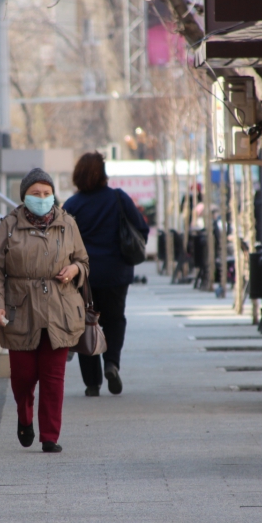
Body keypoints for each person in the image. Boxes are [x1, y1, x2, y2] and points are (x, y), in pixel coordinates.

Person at [0, 169, 90, 453]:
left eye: (46, 193)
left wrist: (75, 270)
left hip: (60, 310)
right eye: (35, 193)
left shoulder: (68, 223)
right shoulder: (9, 225)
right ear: (24, 196)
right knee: (23, 376)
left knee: (54, 377)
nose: (42, 198)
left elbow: (83, 261)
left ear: (53, 195)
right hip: (21, 310)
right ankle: (24, 415)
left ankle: (50, 436)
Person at [62, 151, 150, 396]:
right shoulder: (118, 198)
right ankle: (111, 363)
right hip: (115, 274)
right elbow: (141, 228)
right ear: (103, 174)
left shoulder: (72, 205)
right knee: (115, 319)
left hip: (83, 277)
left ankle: (92, 384)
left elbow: (61, 244)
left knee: (86, 324)